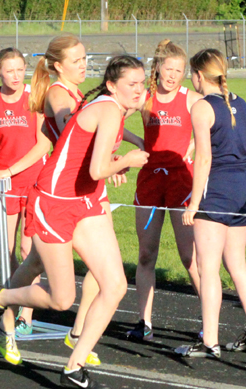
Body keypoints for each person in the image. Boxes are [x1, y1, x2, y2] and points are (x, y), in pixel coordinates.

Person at [0, 55, 149, 388]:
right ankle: (0, 298)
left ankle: (73, 367)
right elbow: (97, 169)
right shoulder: (102, 107)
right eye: (132, 84)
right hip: (55, 202)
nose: (139, 90)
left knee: (114, 286)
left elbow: (90, 157)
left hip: (85, 201)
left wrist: (121, 152)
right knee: (60, 299)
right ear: (113, 85)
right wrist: (127, 160)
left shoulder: (109, 107)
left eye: (142, 83)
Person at [0, 47, 49, 335]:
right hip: (4, 185)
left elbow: (44, 144)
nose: (16, 75)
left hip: (35, 181)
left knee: (30, 250)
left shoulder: (34, 98)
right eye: (9, 70)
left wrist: (11, 170)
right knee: (7, 251)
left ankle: (26, 316)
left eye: (20, 69)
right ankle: (10, 304)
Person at [126, 39, 202, 342]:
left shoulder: (192, 99)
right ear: (157, 68)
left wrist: (195, 146)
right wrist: (137, 143)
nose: (172, 75)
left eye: (179, 70)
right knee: (146, 254)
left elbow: (214, 126)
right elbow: (112, 118)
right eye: (168, 69)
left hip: (182, 182)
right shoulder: (144, 98)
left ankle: (209, 322)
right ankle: (144, 322)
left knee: (190, 258)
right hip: (149, 182)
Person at [175, 48, 246, 358]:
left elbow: (203, 157)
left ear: (199, 75)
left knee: (208, 267)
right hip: (241, 190)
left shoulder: (203, 107)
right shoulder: (242, 104)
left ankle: (210, 341)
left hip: (216, 192)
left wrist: (193, 203)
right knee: (239, 267)